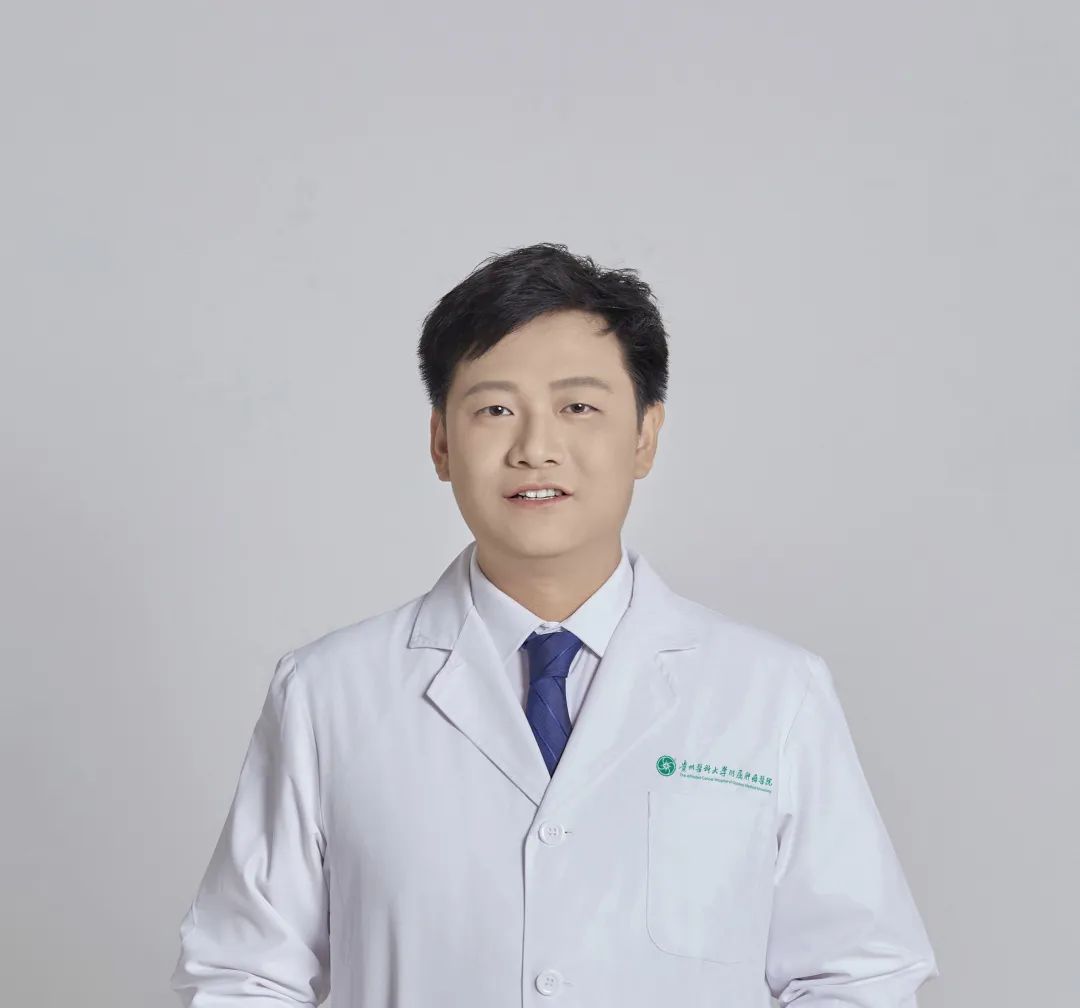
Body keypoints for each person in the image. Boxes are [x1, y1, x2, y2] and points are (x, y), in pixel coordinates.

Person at [170, 243, 939, 1006]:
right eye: (495, 410)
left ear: (644, 436)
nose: (536, 448)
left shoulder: (772, 693)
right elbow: (244, 977)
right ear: (441, 442)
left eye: (578, 407)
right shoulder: (328, 694)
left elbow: (857, 976)